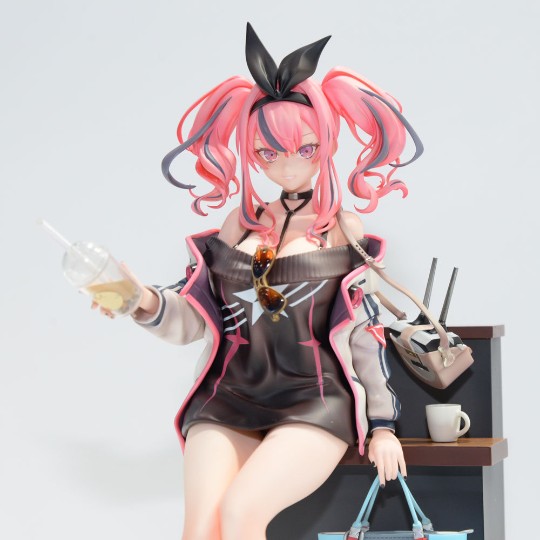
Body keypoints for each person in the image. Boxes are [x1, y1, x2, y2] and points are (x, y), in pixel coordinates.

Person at [97, 23, 423, 540]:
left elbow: (364, 333)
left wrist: (382, 426)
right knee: (201, 529)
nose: (287, 166)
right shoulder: (239, 225)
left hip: (313, 399)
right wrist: (138, 299)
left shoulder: (341, 228)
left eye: (304, 149)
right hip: (230, 395)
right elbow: (197, 317)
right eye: (268, 153)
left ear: (326, 145)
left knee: (241, 513)